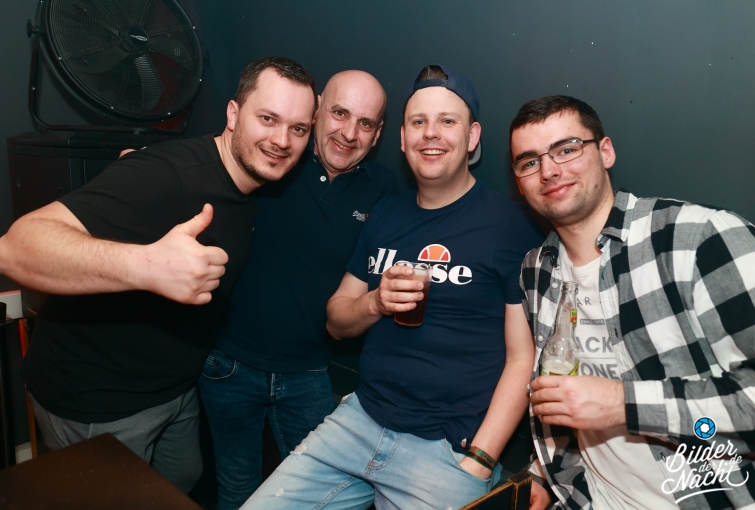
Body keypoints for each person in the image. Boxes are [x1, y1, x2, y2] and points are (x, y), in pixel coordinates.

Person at [0, 56, 317, 493]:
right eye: (268, 118)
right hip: (97, 398)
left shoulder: (252, 185)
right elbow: (14, 249)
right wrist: (147, 266)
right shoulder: (166, 173)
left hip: (173, 391)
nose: (282, 140)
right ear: (233, 114)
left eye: (298, 129)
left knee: (181, 480)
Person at [242, 65, 543, 509]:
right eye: (418, 122)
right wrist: (376, 302)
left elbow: (524, 357)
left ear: (473, 136)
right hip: (358, 421)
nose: (430, 133)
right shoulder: (385, 213)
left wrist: (481, 458)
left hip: (445, 450)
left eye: (447, 121)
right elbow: (336, 319)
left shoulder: (511, 225)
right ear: (402, 139)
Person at [511, 95, 755, 510]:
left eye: (567, 149)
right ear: (519, 182)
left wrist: (623, 404)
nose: (548, 170)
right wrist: (543, 474)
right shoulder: (537, 270)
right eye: (529, 162)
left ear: (605, 152)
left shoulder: (699, 239)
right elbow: (564, 401)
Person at [199, 70, 398, 509]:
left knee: (319, 497)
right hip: (229, 365)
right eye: (340, 113)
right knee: (235, 486)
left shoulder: (384, 190)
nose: (349, 133)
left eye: (365, 123)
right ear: (318, 109)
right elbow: (207, 163)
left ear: (379, 132)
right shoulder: (275, 157)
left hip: (309, 372)